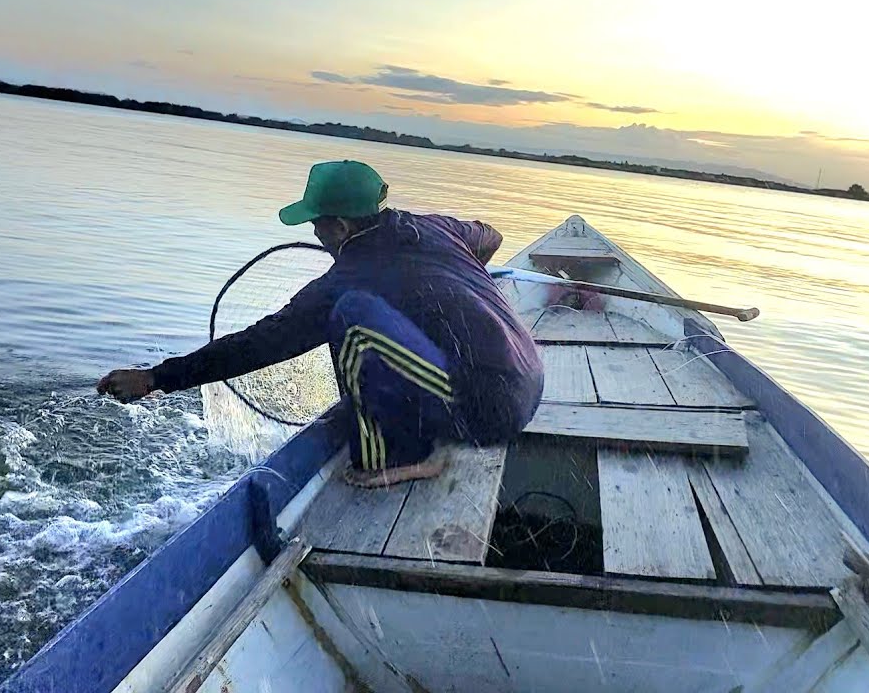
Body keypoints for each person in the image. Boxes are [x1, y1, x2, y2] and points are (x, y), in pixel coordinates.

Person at [97, 160, 544, 487]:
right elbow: (492, 236)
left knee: (351, 316)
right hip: (528, 379)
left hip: (488, 411)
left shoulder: (344, 280)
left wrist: (157, 377)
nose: (313, 233)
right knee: (375, 319)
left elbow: (259, 344)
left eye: (317, 223)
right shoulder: (438, 227)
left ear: (342, 226)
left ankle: (390, 460)